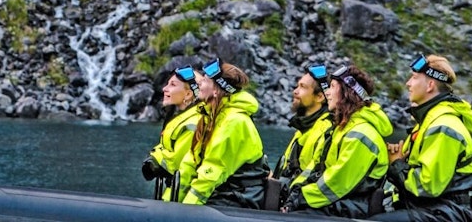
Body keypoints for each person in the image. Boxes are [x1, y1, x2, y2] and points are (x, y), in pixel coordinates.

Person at [373, 54, 472, 222]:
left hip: (447, 211)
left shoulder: (443, 127)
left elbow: (427, 186)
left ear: (430, 85)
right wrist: (400, 159)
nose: (408, 83)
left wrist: (397, 164)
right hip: (432, 207)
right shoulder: (429, 121)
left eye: (414, 78)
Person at [286, 64, 394, 217]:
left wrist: (300, 199)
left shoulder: (361, 135)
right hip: (335, 201)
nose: (327, 93)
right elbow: (314, 167)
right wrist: (295, 190)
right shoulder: (339, 129)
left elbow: (337, 183)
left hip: (353, 205)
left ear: (347, 93)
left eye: (332, 87)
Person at [179, 59, 269, 207]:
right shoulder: (210, 117)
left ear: (216, 90)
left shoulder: (234, 122)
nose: (199, 82)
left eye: (206, 80)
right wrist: (170, 202)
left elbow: (212, 172)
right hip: (224, 193)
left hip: (239, 199)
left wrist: (186, 210)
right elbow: (190, 163)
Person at [270, 64, 334, 198]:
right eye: (297, 85)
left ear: (320, 97)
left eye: (303, 87)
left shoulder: (324, 130)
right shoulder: (304, 129)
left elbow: (313, 176)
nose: (295, 91)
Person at [143, 65, 203, 200]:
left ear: (188, 94)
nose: (165, 88)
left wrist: (154, 159)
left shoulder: (195, 123)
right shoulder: (184, 117)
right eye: (167, 84)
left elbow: (177, 164)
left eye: (172, 85)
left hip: (185, 194)